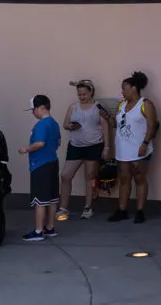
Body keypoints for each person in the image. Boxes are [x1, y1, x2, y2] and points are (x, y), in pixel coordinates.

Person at [57, 79, 111, 221]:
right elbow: (65, 124)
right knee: (65, 176)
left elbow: (106, 128)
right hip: (75, 145)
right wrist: (71, 126)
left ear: (91, 92)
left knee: (90, 177)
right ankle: (63, 208)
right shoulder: (73, 107)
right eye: (79, 94)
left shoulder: (98, 107)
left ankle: (88, 207)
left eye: (84, 94)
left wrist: (106, 147)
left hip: (93, 145)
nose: (81, 97)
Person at [108, 71, 158, 224]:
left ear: (134, 88)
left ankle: (140, 211)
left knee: (139, 178)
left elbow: (152, 126)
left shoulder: (146, 104)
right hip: (123, 150)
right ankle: (122, 210)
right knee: (124, 179)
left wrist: (145, 143)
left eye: (124, 88)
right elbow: (115, 125)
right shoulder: (121, 105)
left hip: (139, 150)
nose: (122, 92)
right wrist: (108, 118)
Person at [19, 95, 62, 241]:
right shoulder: (54, 123)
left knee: (40, 200)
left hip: (40, 164)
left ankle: (38, 231)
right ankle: (50, 227)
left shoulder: (42, 125)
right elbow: (58, 142)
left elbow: (39, 143)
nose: (33, 113)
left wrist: (26, 149)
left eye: (34, 109)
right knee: (52, 198)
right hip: (52, 162)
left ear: (41, 107)